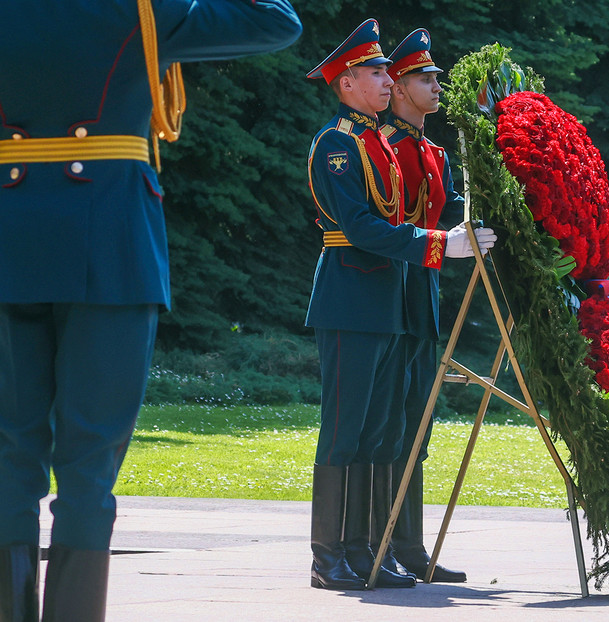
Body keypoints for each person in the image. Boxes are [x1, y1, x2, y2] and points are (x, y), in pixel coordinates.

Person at [0, 2, 301, 621]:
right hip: (110, 247)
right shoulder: (144, 9)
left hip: (11, 240)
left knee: (8, 457)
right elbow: (277, 20)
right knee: (89, 468)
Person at [304, 19, 494, 591]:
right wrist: (438, 245)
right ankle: (327, 555)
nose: (388, 81)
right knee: (344, 428)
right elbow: (361, 227)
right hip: (350, 295)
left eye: (389, 72)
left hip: (385, 298)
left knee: (380, 431)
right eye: (377, 72)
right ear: (347, 83)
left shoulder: (378, 143)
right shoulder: (337, 144)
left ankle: (366, 549)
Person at [378, 28, 467, 583]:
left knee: (418, 422)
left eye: (436, 78)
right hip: (390, 292)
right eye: (424, 79)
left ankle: (409, 546)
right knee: (389, 423)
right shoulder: (383, 146)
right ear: (398, 87)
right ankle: (380, 543)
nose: (437, 87)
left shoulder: (434, 153)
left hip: (423, 295)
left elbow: (453, 211)